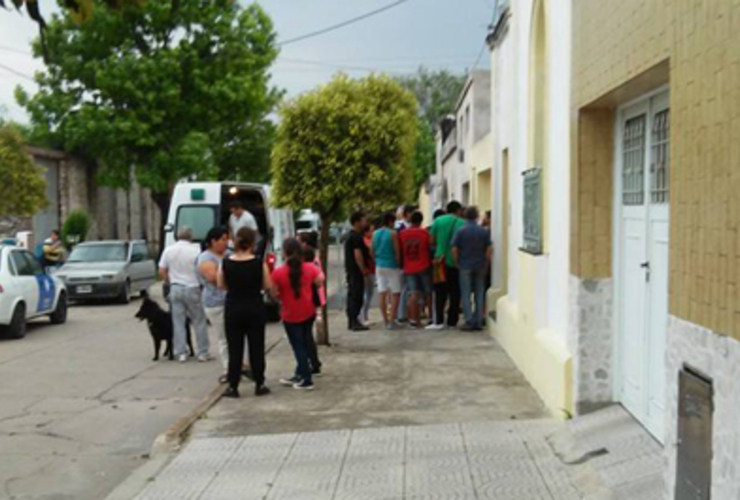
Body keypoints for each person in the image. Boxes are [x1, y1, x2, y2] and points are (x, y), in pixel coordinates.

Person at [217, 227, 271, 398]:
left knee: (235, 348)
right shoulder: (258, 262)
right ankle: (259, 382)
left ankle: (233, 385)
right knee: (256, 346)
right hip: (254, 305)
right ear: (253, 243)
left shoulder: (225, 263)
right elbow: (267, 285)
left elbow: (221, 285)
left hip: (233, 306)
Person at [197, 227, 251, 384]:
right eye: (222, 239)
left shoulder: (228, 255)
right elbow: (215, 279)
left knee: (239, 335)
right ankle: (229, 368)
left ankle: (242, 364)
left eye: (227, 239)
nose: (226, 243)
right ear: (213, 241)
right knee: (225, 337)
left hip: (234, 300)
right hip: (216, 302)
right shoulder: (205, 258)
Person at [271, 238, 324, 390]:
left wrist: (281, 295)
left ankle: (306, 378)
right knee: (305, 341)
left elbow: (274, 293)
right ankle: (300, 372)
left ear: (285, 253)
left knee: (298, 346)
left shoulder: (279, 272)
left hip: (290, 313)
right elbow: (320, 280)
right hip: (308, 310)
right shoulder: (309, 268)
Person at [159, 227, 210, 362]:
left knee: (178, 322)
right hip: (192, 287)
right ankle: (202, 352)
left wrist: (169, 281)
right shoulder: (196, 250)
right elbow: (201, 269)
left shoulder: (169, 250)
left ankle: (181, 352)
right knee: (198, 321)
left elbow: (162, 270)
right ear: (191, 237)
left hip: (175, 288)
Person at [452, 206, 493, 331]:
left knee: (466, 294)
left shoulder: (460, 231)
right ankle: (478, 320)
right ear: (476, 216)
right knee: (479, 293)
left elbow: (454, 248)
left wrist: (456, 262)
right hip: (480, 264)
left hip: (465, 264)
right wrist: (486, 262)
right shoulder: (484, 231)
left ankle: (469, 320)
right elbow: (489, 249)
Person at [428, 201, 465, 330]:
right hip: (455, 262)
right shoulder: (462, 223)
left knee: (439, 292)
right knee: (455, 292)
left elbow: (431, 240)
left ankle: (438, 320)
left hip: (439, 261)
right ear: (458, 210)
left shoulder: (438, 221)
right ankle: (452, 320)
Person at [399, 211, 433, 328]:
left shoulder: (402, 234)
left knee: (413, 293)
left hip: (408, 267)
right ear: (421, 221)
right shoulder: (425, 233)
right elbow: (431, 246)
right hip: (424, 265)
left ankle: (414, 319)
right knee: (428, 293)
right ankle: (431, 317)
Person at [372, 212, 402, 330]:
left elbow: (372, 251)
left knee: (382, 293)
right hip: (391, 265)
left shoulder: (375, 233)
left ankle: (385, 320)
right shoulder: (393, 234)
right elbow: (397, 251)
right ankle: (392, 320)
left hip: (379, 265)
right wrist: (398, 263)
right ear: (390, 221)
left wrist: (377, 260)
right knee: (395, 293)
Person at [300, 241, 324, 376]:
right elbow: (320, 282)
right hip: (313, 303)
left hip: (306, 304)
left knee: (306, 337)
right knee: (308, 335)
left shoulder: (306, 269)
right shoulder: (314, 267)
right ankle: (314, 361)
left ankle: (313, 362)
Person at [344, 212, 370, 332]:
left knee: (353, 294)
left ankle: (352, 320)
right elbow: (357, 254)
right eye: (363, 220)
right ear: (357, 222)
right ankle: (354, 320)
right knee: (356, 295)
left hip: (351, 270)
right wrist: (363, 268)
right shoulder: (356, 237)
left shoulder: (351, 235)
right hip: (355, 271)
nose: (365, 222)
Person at [395, 205, 414, 323]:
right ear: (407, 214)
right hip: (403, 262)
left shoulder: (401, 227)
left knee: (405, 289)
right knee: (403, 288)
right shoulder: (401, 227)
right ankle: (401, 314)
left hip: (407, 262)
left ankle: (404, 313)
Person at [360, 222, 376, 325]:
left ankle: (365, 315)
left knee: (368, 294)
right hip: (368, 270)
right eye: (371, 230)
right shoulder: (366, 241)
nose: (372, 232)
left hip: (371, 269)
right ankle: (363, 316)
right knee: (367, 294)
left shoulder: (368, 240)